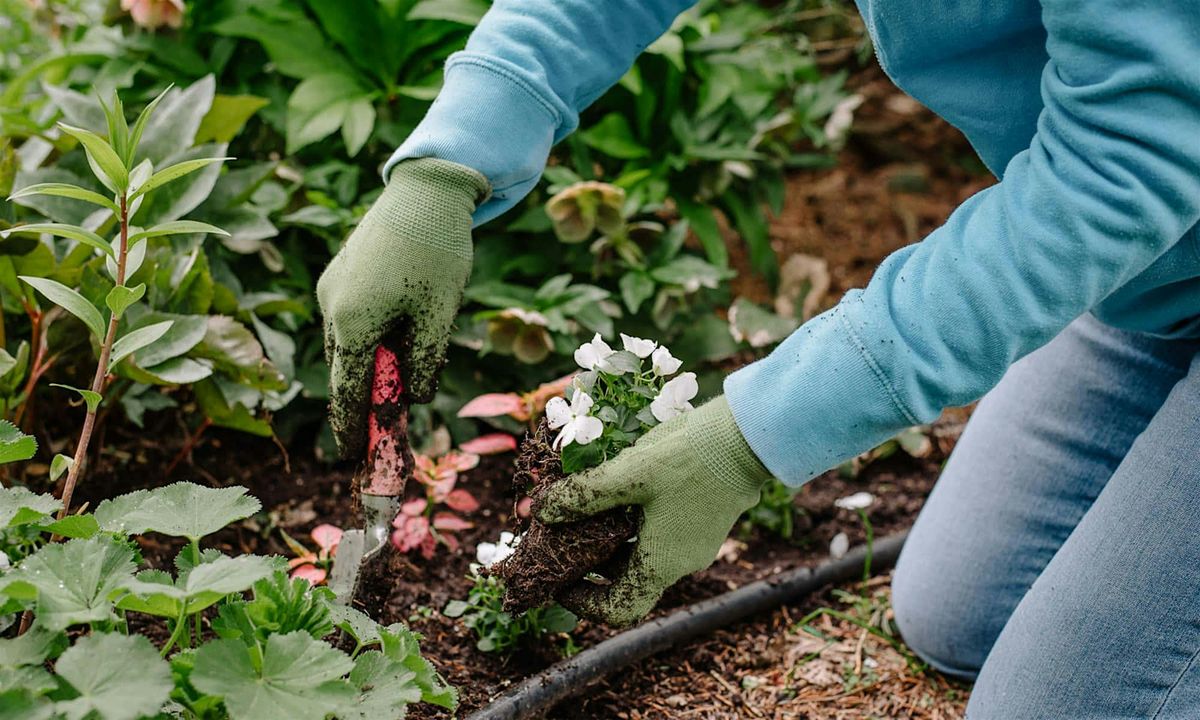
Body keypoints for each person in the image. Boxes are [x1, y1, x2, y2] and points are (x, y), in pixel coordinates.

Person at [316, 1, 1200, 715]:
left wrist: (750, 438)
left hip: (1148, 201)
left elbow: (1122, 161)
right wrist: (448, 165)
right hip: (1155, 279)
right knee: (953, 618)